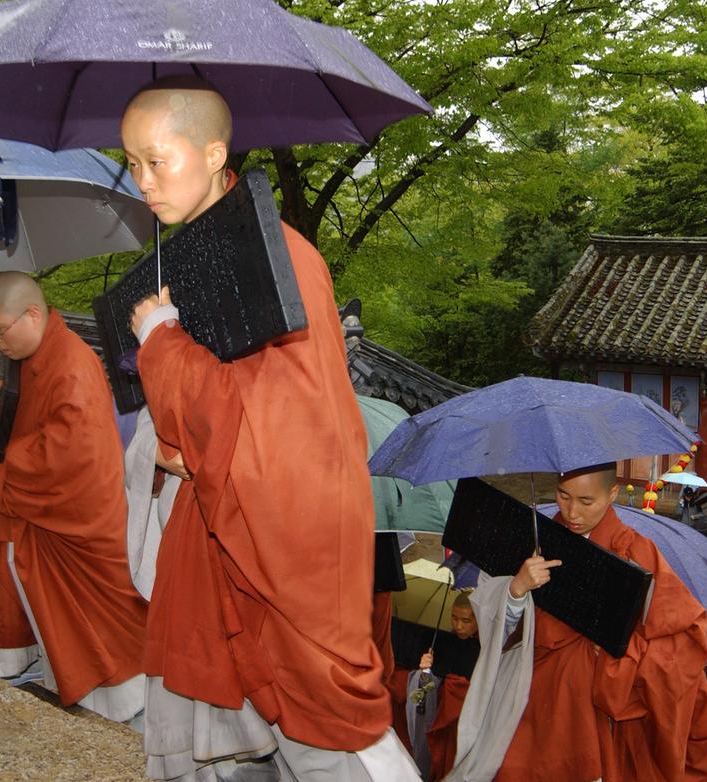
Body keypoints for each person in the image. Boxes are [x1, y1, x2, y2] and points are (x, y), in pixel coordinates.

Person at [122, 77, 417, 779]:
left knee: (323, 725)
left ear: (214, 151)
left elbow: (275, 435)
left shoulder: (282, 259)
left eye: (157, 161)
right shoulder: (201, 256)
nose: (142, 182)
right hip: (220, 528)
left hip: (287, 537)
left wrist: (161, 341)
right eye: (130, 163)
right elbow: (215, 418)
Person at [0, 272, 149, 723]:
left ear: (33, 314)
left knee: (106, 648)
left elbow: (69, 457)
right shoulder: (24, 361)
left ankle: (124, 711)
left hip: (73, 519)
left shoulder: (71, 365)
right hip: (29, 509)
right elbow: (8, 438)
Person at [447, 463, 707, 781]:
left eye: (586, 501)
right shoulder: (537, 539)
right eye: (563, 496)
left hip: (600, 702)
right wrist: (517, 588)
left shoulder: (636, 550)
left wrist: (620, 652)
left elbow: (684, 637)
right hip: (532, 691)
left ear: (612, 494)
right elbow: (498, 628)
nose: (572, 512)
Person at [407, 593, 480, 781]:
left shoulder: (487, 648)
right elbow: (420, 695)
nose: (458, 626)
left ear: (478, 619)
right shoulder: (441, 642)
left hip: (466, 724)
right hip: (438, 718)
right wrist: (424, 672)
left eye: (466, 620)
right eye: (454, 618)